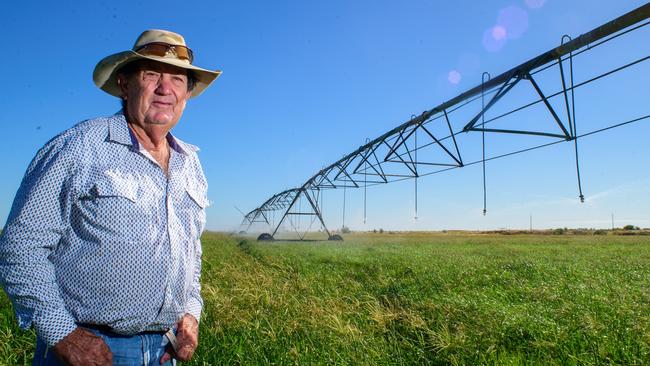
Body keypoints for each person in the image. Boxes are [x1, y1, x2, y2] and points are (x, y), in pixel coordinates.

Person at [0, 29, 221, 365]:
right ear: (124, 83)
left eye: (177, 79)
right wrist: (63, 335)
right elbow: (21, 246)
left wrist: (191, 313)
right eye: (151, 75)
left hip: (165, 351)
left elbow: (192, 256)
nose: (165, 89)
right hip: (89, 349)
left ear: (187, 93)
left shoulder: (190, 164)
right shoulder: (80, 146)